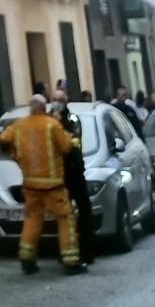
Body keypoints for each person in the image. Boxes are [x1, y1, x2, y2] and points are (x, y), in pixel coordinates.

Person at [0, 94, 84, 277]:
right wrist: (73, 140)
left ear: (30, 108)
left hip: (30, 184)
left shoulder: (19, 125)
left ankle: (27, 259)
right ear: (44, 107)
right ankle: (71, 261)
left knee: (32, 220)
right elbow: (65, 148)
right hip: (53, 185)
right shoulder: (51, 124)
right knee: (65, 219)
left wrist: (14, 155)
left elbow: (4, 140)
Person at [52, 86, 97, 266]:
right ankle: (65, 251)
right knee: (62, 216)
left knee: (84, 213)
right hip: (57, 175)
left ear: (65, 103)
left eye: (59, 101)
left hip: (75, 172)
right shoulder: (47, 120)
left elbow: (74, 142)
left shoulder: (71, 119)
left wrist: (60, 129)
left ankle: (87, 251)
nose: (56, 104)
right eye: (54, 100)